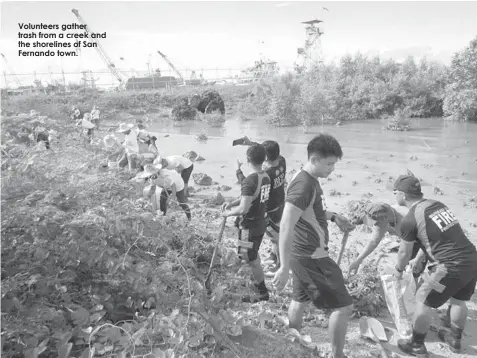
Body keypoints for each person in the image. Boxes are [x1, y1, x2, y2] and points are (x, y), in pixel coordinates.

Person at [272, 134, 355, 358]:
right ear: (315, 159)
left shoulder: (307, 178)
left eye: (334, 164)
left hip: (304, 254)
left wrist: (333, 216)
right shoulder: (303, 185)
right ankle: (337, 356)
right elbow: (286, 225)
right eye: (329, 164)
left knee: (300, 300)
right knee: (342, 306)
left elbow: (310, 213)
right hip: (312, 257)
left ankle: (293, 342)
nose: (332, 169)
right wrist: (284, 265)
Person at [391, 175, 477, 356]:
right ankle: (454, 339)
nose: (394, 196)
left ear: (402, 194)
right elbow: (435, 237)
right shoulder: (437, 205)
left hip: (448, 266)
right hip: (471, 259)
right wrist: (420, 258)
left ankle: (416, 346)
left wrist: (398, 270)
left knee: (422, 300)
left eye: (395, 192)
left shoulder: (410, 219)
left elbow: (403, 253)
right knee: (459, 300)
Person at [221, 144, 271, 303]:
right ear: (264, 159)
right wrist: (231, 204)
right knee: (251, 254)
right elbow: (248, 198)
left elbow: (244, 207)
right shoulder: (265, 177)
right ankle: (254, 282)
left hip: (249, 226)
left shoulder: (251, 180)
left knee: (249, 257)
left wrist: (227, 213)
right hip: (261, 223)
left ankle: (261, 292)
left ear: (248, 159)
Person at [236, 140, 286, 271]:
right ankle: (274, 256)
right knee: (274, 235)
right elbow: (270, 150)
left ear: (265, 158)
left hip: (270, 210)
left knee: (275, 236)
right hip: (281, 204)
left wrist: (239, 172)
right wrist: (251, 143)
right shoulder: (282, 161)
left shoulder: (267, 174)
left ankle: (280, 264)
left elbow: (250, 188)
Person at [348, 202, 428, 282]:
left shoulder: (407, 219)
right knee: (407, 269)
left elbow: (428, 241)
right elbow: (374, 241)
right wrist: (357, 261)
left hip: (432, 240)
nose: (375, 226)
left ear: (384, 218)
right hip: (412, 240)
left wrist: (418, 258)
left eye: (376, 223)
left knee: (418, 268)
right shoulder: (380, 218)